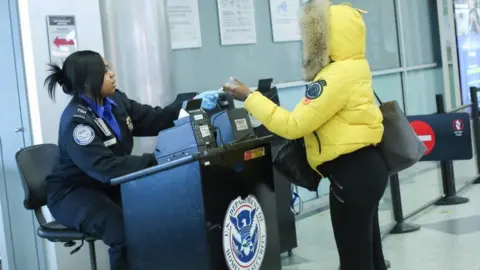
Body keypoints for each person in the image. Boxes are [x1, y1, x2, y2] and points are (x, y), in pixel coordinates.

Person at [224, 2, 390, 270]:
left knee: (354, 262)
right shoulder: (356, 66)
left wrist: (249, 97)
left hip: (352, 177)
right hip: (370, 170)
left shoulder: (334, 77)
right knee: (371, 257)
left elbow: (293, 125)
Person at [44, 50, 217, 270]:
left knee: (163, 213)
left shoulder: (115, 101)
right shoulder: (77, 123)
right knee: (124, 232)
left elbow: (153, 118)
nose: (112, 74)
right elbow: (105, 167)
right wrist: (157, 161)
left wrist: (189, 106)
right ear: (89, 80)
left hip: (107, 185)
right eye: (105, 71)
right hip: (73, 193)